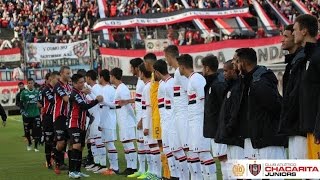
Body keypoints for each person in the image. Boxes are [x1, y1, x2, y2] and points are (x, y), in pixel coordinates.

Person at [237, 48, 286, 160]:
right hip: (262, 141)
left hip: (269, 141)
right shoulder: (252, 81)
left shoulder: (260, 83)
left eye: (238, 62)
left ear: (244, 63)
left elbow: (276, 107)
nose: (237, 65)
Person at [178, 54, 216, 180]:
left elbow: (205, 101)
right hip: (194, 122)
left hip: (200, 122)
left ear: (182, 67)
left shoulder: (197, 79)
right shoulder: (191, 80)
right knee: (197, 154)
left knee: (204, 153)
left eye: (179, 67)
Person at [293, 14, 320, 159]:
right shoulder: (307, 58)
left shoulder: (317, 56)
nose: (293, 33)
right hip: (310, 129)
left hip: (317, 130)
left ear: (304, 31)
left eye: (295, 29)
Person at [278, 24, 307, 159]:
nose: (282, 40)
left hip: (301, 126)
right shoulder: (292, 62)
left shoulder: (301, 60)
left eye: (286, 36)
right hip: (294, 125)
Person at [68, 73, 103, 179]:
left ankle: (77, 171)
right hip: (74, 123)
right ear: (74, 83)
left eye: (83, 81)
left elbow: (86, 104)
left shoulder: (81, 93)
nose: (83, 84)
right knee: (76, 146)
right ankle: (72, 171)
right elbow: (84, 106)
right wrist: (97, 100)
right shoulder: (74, 94)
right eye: (80, 82)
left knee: (81, 147)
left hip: (82, 124)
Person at [164, 45, 189, 180]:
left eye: (165, 57)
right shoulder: (177, 73)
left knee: (184, 151)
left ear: (168, 56)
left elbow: (189, 92)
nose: (166, 60)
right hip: (177, 115)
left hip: (184, 116)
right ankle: (179, 176)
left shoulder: (180, 72)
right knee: (176, 149)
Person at [153, 60, 179, 180]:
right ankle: (172, 175)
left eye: (154, 72)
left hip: (171, 123)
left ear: (157, 72)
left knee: (175, 151)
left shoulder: (170, 84)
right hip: (165, 122)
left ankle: (177, 175)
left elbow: (175, 106)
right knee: (168, 150)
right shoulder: (164, 84)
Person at [201, 55, 227, 179]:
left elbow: (225, 106)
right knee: (221, 157)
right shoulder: (211, 83)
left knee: (225, 158)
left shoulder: (218, 83)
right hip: (214, 128)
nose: (202, 70)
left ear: (207, 68)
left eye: (202, 67)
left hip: (220, 128)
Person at [110, 67, 138, 175]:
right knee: (126, 144)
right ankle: (129, 167)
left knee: (129, 144)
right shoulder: (119, 88)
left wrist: (134, 120)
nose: (110, 78)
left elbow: (129, 106)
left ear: (113, 76)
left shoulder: (123, 89)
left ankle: (133, 167)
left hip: (126, 120)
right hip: (122, 121)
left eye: (111, 76)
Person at [127, 58, 148, 178]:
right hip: (139, 116)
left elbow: (144, 103)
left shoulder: (142, 83)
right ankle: (141, 169)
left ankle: (148, 170)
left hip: (142, 118)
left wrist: (141, 119)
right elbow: (139, 100)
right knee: (140, 144)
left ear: (137, 69)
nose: (130, 70)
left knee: (145, 144)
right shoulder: (140, 82)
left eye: (131, 67)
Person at [143, 53, 163, 179]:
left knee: (161, 145)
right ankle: (158, 173)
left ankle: (160, 174)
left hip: (159, 115)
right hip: (155, 115)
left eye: (145, 63)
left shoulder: (156, 77)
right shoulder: (152, 77)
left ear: (148, 63)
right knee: (159, 145)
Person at [139, 63, 160, 180]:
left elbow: (148, 107)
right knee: (152, 147)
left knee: (153, 147)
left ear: (142, 73)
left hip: (151, 121)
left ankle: (156, 173)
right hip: (149, 120)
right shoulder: (147, 86)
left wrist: (146, 125)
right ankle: (153, 172)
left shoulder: (147, 87)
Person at [98, 69, 119, 175]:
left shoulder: (106, 89)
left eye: (99, 76)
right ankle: (112, 167)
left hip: (107, 119)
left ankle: (114, 168)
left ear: (101, 77)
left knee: (110, 144)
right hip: (110, 118)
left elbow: (105, 105)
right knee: (109, 143)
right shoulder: (110, 88)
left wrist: (101, 123)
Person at [85, 70, 106, 173]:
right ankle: (96, 163)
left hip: (97, 118)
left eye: (86, 78)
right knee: (93, 143)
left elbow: (100, 101)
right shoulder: (91, 89)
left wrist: (91, 93)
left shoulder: (97, 88)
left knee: (99, 142)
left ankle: (103, 165)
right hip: (92, 119)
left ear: (88, 78)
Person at [53, 66, 72, 174]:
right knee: (60, 143)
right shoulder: (58, 86)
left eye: (69, 73)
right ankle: (55, 158)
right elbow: (66, 99)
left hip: (68, 117)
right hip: (59, 117)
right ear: (61, 73)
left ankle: (63, 164)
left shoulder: (69, 86)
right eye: (67, 73)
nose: (69, 75)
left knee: (68, 142)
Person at [41, 71, 60, 169]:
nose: (58, 81)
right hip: (48, 117)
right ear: (51, 79)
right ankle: (48, 162)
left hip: (56, 117)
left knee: (58, 139)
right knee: (48, 141)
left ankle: (55, 158)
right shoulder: (46, 89)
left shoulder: (57, 88)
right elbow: (53, 101)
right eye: (57, 79)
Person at [20, 78, 42, 152]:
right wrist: (23, 111)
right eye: (29, 83)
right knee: (27, 132)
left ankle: (36, 146)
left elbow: (40, 102)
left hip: (36, 114)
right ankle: (29, 143)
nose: (30, 84)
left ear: (33, 83)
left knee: (36, 130)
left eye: (31, 83)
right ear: (27, 84)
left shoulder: (37, 92)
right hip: (27, 115)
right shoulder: (24, 92)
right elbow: (21, 103)